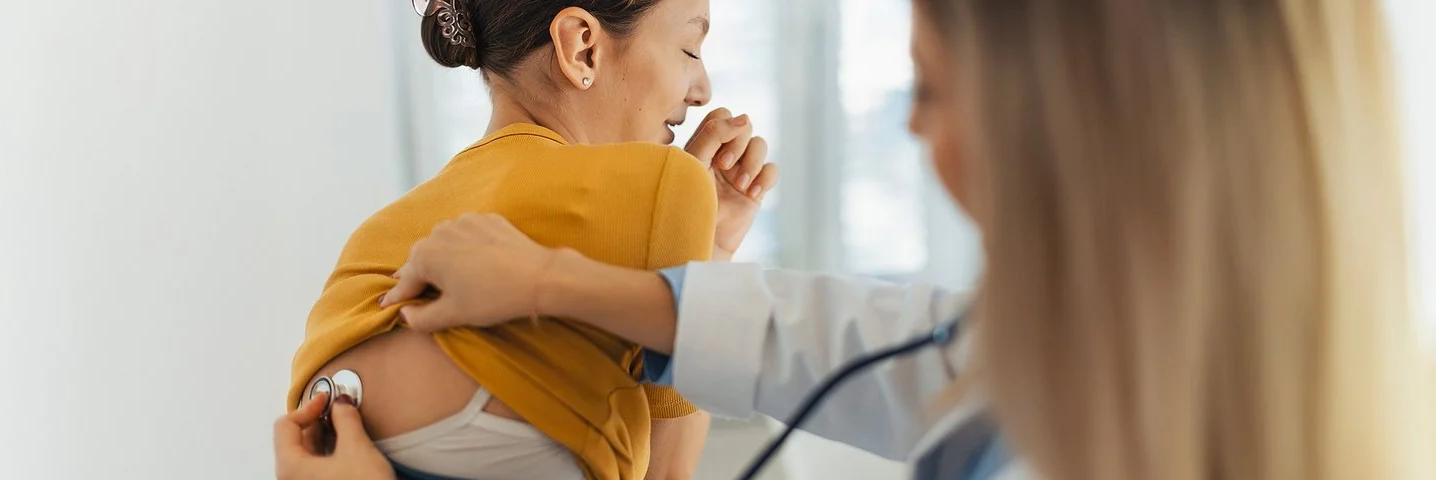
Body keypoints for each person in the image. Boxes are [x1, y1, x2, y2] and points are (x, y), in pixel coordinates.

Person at [277, 0, 1435, 478]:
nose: (910, 128)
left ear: (1078, 126)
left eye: (927, 89)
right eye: (688, 42)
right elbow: (856, 345)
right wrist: (619, 272)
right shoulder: (1074, 370)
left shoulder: (389, 240)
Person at [283, 0, 778, 479]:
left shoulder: (376, 232)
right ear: (581, 47)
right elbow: (666, 473)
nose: (703, 90)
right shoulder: (665, 184)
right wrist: (711, 249)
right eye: (689, 49)